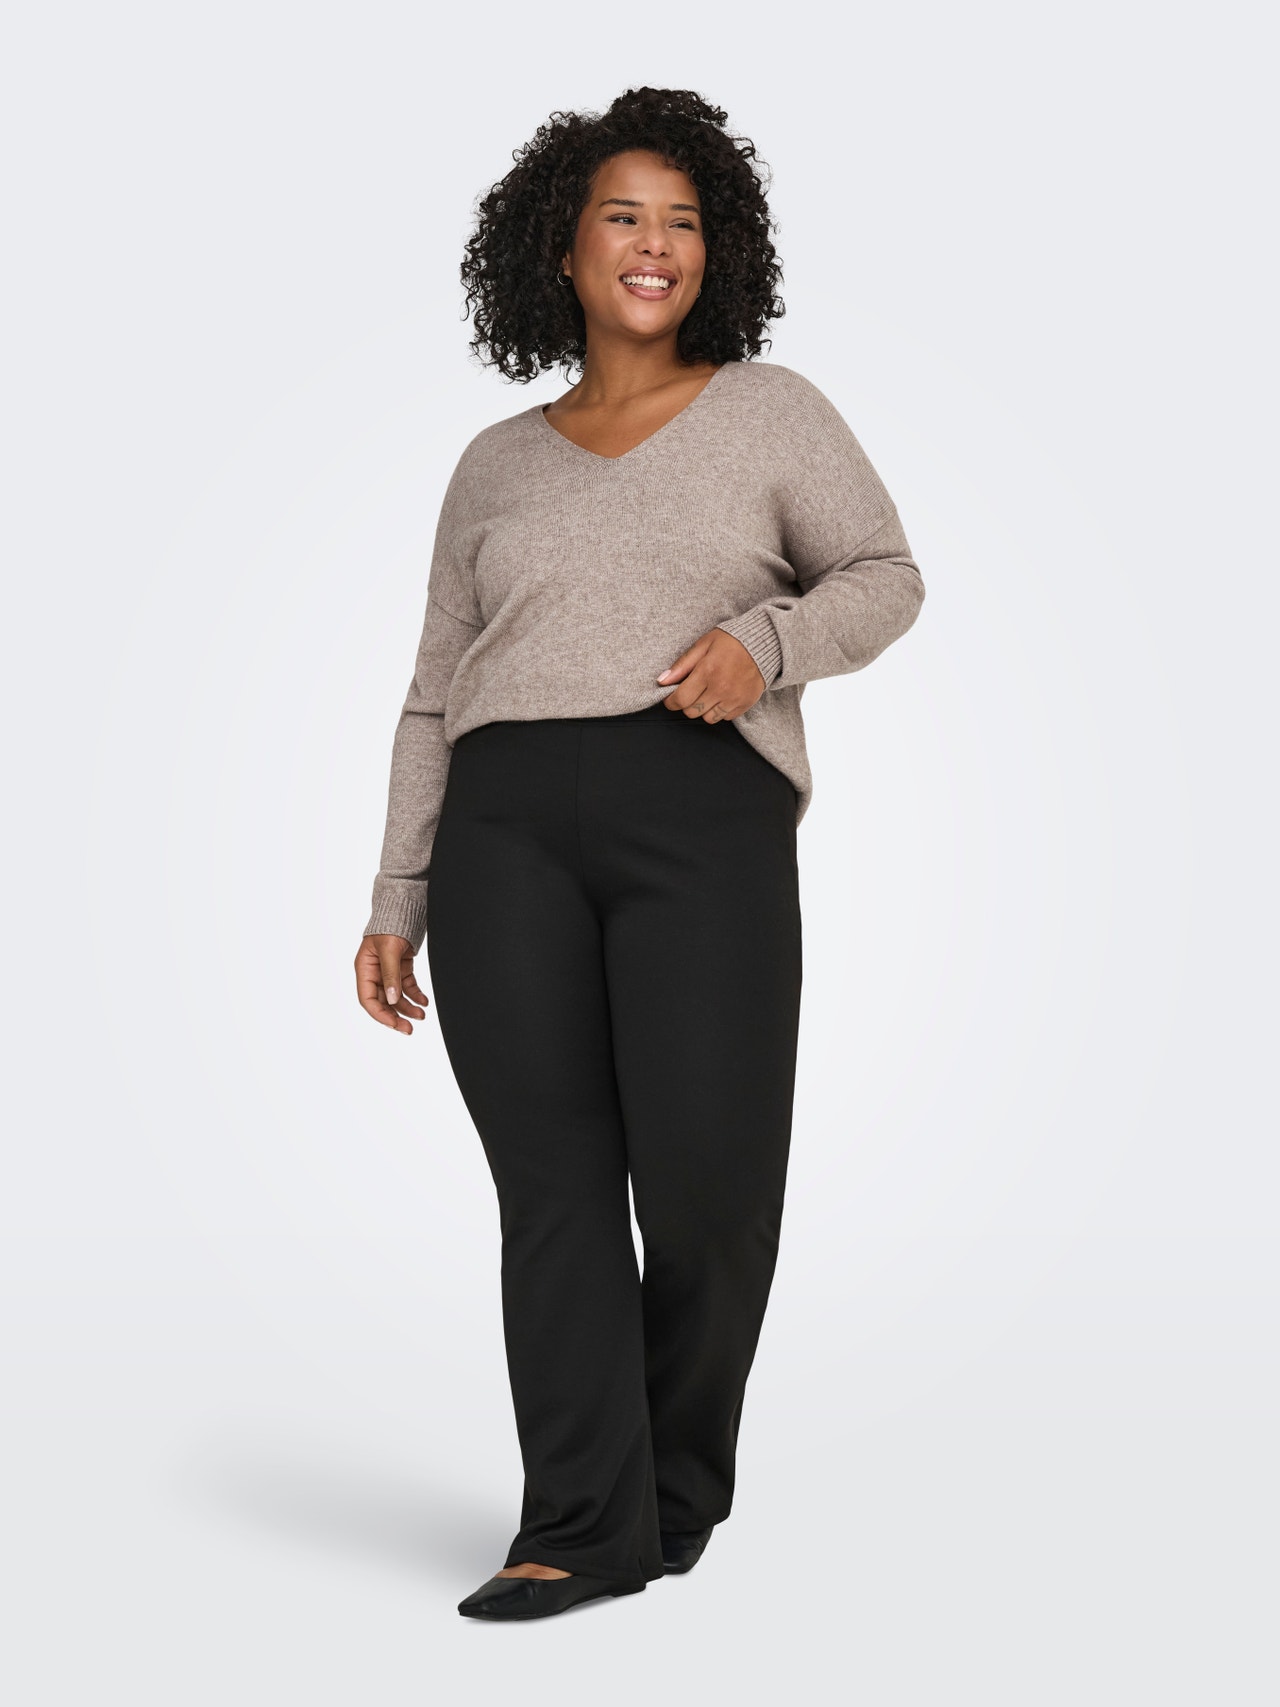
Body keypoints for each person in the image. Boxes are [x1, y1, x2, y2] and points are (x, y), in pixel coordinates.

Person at [354, 86, 926, 1622]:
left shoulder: (771, 411)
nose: (653, 244)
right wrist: (398, 893)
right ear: (564, 245)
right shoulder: (492, 463)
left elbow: (884, 574)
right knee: (552, 1192)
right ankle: (577, 1524)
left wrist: (765, 643)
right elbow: (434, 690)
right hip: (502, 835)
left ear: (714, 250)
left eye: (681, 221)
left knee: (709, 1194)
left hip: (699, 816)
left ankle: (671, 1495)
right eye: (623, 216)